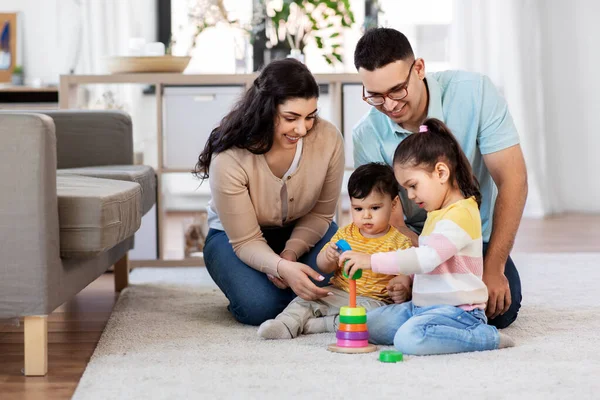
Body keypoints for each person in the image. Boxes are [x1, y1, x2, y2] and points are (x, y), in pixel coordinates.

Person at [352, 28, 527, 329]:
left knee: (499, 311)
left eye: (397, 90)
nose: (390, 106)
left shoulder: (475, 93)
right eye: (376, 96)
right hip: (411, 241)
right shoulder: (366, 134)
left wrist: (494, 267)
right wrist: (415, 269)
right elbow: (388, 217)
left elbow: (513, 180)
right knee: (379, 301)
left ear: (418, 69)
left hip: (469, 238)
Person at [340, 119, 515, 355]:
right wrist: (407, 279)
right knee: (365, 324)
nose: (410, 196)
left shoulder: (461, 214)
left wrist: (370, 261)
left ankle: (484, 337)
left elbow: (427, 258)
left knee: (408, 340)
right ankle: (423, 327)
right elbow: (427, 265)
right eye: (406, 189)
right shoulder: (435, 212)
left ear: (441, 172)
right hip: (421, 307)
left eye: (413, 186)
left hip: (457, 311)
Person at [195, 58, 345, 326]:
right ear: (266, 110)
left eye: (310, 116)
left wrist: (289, 254)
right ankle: (267, 295)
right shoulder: (230, 158)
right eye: (291, 118)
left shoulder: (329, 139)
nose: (302, 129)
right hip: (234, 239)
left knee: (337, 281)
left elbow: (322, 214)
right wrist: (281, 268)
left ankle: (291, 295)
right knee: (260, 307)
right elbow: (245, 241)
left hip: (305, 230)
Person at [257, 163, 412, 339]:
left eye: (375, 208)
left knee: (371, 319)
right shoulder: (346, 233)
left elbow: (405, 273)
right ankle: (284, 324)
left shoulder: (400, 242)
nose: (366, 215)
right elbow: (323, 266)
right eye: (358, 209)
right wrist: (328, 256)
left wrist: (401, 287)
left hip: (374, 301)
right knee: (305, 300)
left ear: (393, 204)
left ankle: (321, 325)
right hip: (339, 291)